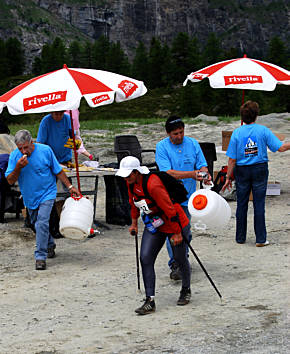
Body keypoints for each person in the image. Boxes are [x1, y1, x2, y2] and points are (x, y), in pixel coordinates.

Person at [116, 156, 192, 315]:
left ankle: (186, 289)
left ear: (137, 173)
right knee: (145, 257)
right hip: (155, 223)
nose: (126, 178)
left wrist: (177, 232)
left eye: (128, 175)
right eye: (124, 175)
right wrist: (134, 224)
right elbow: (133, 203)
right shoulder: (130, 182)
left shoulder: (153, 184)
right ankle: (149, 300)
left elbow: (169, 208)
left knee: (179, 258)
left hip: (174, 222)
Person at [5, 130, 80, 270]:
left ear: (31, 142)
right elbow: (10, 180)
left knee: (42, 222)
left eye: (25, 147)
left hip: (47, 192)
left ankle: (40, 257)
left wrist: (70, 186)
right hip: (29, 196)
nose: (23, 151)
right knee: (35, 224)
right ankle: (50, 244)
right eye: (20, 148)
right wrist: (18, 167)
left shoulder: (45, 150)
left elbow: (57, 170)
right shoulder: (15, 156)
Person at [222, 101, 290, 247]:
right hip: (260, 168)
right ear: (256, 115)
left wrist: (228, 177)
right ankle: (260, 239)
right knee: (259, 204)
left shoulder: (237, 133)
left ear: (242, 116)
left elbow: (232, 159)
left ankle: (240, 237)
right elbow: (280, 148)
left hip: (242, 170)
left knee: (242, 204)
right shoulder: (263, 130)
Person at [155, 115, 210, 280]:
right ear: (168, 133)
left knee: (186, 230)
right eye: (175, 134)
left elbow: (202, 164)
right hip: (170, 197)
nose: (179, 136)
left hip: (190, 196)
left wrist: (204, 173)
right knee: (174, 230)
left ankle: (182, 258)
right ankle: (175, 263)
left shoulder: (192, 143)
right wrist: (193, 174)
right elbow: (168, 173)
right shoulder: (161, 147)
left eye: (181, 133)